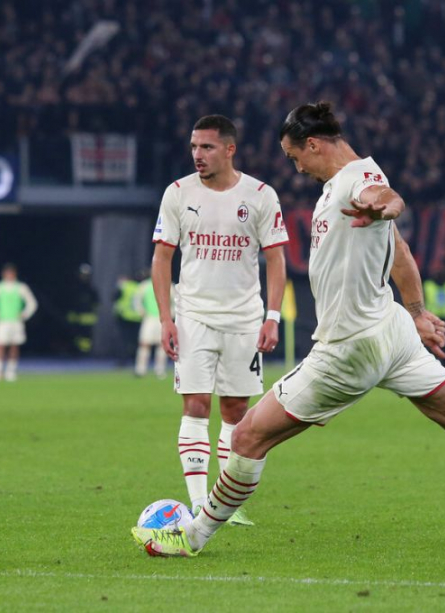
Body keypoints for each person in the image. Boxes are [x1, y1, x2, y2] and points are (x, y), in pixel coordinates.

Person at [132, 101, 445, 557]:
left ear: (313, 144)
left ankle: (193, 536)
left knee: (245, 438)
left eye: (294, 156)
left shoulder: (355, 182)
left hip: (348, 348)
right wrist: (416, 312)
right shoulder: (350, 179)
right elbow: (401, 252)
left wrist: (387, 205)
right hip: (392, 328)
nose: (296, 167)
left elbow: (387, 199)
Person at [150, 114, 288, 525]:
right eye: (194, 146)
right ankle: (198, 502)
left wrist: (272, 316)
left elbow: (276, 259)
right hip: (193, 315)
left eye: (207, 147)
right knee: (195, 403)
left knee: (236, 410)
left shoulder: (260, 195)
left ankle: (225, 505)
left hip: (244, 318)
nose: (198, 154)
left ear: (230, 149)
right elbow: (162, 258)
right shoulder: (177, 193)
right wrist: (166, 318)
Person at [0, 263, 38, 382]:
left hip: (16, 322)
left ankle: (10, 371)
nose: (9, 275)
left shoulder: (21, 287)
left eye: (11, 273)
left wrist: (24, 314)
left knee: (14, 345)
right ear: (3, 274)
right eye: (7, 273)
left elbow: (32, 303)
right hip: (2, 321)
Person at [133, 270, 167, 379]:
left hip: (162, 319)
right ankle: (140, 370)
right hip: (149, 319)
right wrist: (141, 311)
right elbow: (137, 300)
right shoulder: (144, 286)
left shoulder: (167, 284)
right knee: (144, 343)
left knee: (162, 344)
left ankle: (160, 370)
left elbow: (175, 301)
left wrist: (169, 314)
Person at [67, 263, 99, 353]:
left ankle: (84, 352)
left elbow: (96, 303)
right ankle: (75, 351)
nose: (84, 277)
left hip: (87, 318)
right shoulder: (75, 288)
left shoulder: (91, 289)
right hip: (75, 317)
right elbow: (71, 302)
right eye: (83, 275)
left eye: (86, 275)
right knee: (75, 335)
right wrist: (71, 314)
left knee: (86, 336)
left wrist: (94, 313)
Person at [114, 274, 143, 361]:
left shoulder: (124, 287)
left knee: (123, 340)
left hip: (124, 317)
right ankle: (135, 358)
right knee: (136, 339)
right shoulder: (139, 287)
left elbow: (114, 297)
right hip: (137, 317)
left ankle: (123, 359)